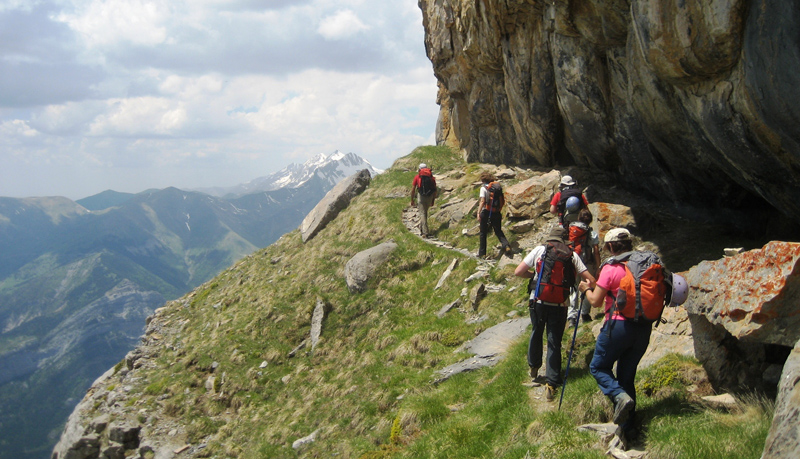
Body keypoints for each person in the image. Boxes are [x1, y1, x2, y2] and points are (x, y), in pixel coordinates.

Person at [578, 227, 649, 441]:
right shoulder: (644, 266)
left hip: (617, 325)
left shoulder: (611, 268)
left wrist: (585, 289)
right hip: (643, 327)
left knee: (598, 366)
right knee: (627, 376)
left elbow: (596, 302)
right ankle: (629, 429)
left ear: (610, 247)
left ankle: (619, 398)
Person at [514, 226, 596, 401]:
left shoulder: (540, 250)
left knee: (536, 331)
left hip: (538, 300)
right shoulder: (571, 255)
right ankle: (552, 382)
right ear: (565, 240)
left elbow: (518, 271)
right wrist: (585, 287)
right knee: (554, 341)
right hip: (560, 303)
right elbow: (591, 279)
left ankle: (534, 369)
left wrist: (535, 276)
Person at [567, 208, 601, 327]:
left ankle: (571, 317)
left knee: (574, 289)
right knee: (589, 287)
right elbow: (596, 251)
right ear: (590, 220)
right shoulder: (592, 234)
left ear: (578, 218)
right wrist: (598, 266)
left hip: (573, 263)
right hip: (587, 264)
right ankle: (585, 314)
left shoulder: (570, 230)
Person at [477, 171, 510, 258]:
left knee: (483, 233)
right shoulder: (497, 188)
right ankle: (506, 245)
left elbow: (482, 201)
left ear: (483, 180)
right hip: (496, 212)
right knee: (498, 230)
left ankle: (482, 254)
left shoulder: (483, 188)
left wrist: (478, 212)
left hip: (486, 212)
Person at [411, 163, 437, 238]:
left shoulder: (417, 177)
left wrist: (412, 199)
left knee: (422, 214)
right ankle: (422, 229)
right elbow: (435, 190)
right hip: (430, 196)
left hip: (421, 196)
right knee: (425, 213)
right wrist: (433, 200)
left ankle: (425, 233)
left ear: (419, 169)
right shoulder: (431, 177)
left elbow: (413, 189)